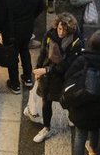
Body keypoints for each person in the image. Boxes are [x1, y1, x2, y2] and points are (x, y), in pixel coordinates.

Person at [29, 13, 82, 143]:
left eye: (65, 30)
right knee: (46, 101)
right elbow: (42, 53)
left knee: (66, 100)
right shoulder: (49, 35)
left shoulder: (76, 42)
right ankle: (46, 128)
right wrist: (38, 69)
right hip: (47, 77)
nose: (61, 32)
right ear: (56, 26)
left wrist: (45, 70)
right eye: (59, 28)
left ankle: (72, 117)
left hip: (63, 77)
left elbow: (67, 65)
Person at [0, 0, 45, 93]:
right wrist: (31, 18)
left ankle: (15, 84)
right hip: (27, 29)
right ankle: (28, 78)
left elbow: (1, 16)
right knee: (25, 51)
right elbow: (40, 8)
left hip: (11, 32)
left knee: (12, 56)